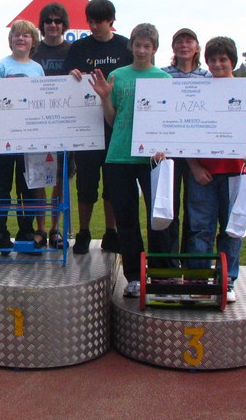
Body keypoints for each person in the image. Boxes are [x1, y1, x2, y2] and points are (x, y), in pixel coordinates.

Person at [88, 23, 172, 297]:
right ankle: (134, 276)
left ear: (154, 48)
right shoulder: (117, 76)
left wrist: (164, 147)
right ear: (131, 46)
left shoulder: (164, 79)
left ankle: (159, 275)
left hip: (152, 159)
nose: (142, 50)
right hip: (120, 155)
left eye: (147, 46)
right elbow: (112, 119)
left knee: (157, 219)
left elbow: (168, 122)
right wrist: (104, 98)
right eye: (138, 45)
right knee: (126, 220)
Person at [185, 36, 246, 303]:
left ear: (232, 60)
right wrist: (195, 166)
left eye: (223, 59)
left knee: (233, 229)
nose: (217, 64)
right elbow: (186, 132)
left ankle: (227, 280)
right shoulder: (198, 91)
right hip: (203, 174)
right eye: (212, 60)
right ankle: (198, 280)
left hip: (237, 172)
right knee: (200, 229)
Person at [64, 0, 133, 255]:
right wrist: (72, 75)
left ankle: (111, 232)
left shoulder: (125, 46)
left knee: (113, 183)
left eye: (99, 21)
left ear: (111, 20)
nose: (94, 26)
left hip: (117, 126)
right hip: (86, 127)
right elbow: (66, 80)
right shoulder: (79, 48)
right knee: (86, 183)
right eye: (90, 21)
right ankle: (83, 232)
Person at [0, 19, 45, 254]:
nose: (21, 38)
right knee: (1, 187)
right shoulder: (1, 67)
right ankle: (0, 232)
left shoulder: (37, 69)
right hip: (4, 140)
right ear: (10, 40)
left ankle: (26, 231)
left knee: (27, 187)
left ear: (33, 41)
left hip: (29, 140)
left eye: (26, 35)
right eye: (16, 35)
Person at [161, 28, 212, 254]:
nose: (184, 45)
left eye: (189, 41)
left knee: (195, 210)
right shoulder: (162, 75)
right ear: (173, 48)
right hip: (168, 154)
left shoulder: (208, 78)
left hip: (199, 156)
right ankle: (170, 263)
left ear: (197, 48)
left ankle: (192, 261)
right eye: (179, 41)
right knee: (168, 209)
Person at [32, 2, 71, 249]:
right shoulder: (34, 51)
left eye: (58, 21)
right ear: (42, 24)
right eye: (48, 21)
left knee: (59, 178)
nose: (53, 25)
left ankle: (56, 229)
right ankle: (41, 229)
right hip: (36, 124)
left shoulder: (73, 50)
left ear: (64, 25)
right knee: (38, 176)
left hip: (64, 124)